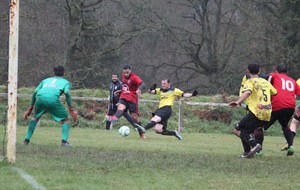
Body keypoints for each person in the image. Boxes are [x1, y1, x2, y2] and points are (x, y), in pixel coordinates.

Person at [229, 62, 277, 158]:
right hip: (267, 112)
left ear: (247, 71)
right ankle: (247, 153)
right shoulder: (265, 82)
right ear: (259, 71)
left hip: (257, 111)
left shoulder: (250, 81)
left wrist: (238, 102)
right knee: (245, 131)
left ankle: (255, 145)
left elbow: (247, 92)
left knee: (237, 130)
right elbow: (275, 92)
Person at [23, 66, 77, 146]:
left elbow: (35, 92)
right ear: (64, 73)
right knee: (65, 120)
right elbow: (67, 93)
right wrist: (71, 110)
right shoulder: (66, 82)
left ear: (53, 73)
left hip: (39, 98)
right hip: (52, 100)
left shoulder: (45, 80)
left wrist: (30, 108)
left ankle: (26, 140)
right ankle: (64, 142)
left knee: (36, 118)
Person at [261, 64, 300, 156]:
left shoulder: (274, 75)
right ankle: (290, 146)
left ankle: (258, 149)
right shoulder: (292, 81)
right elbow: (297, 93)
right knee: (285, 125)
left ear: (276, 71)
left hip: (277, 105)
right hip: (290, 107)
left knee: (260, 126)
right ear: (287, 72)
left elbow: (266, 77)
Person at [106, 64, 146, 138]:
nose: (125, 74)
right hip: (124, 97)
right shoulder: (123, 76)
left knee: (134, 117)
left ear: (130, 71)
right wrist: (120, 91)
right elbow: (126, 88)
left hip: (132, 99)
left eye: (127, 72)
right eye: (124, 73)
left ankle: (141, 133)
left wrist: (139, 89)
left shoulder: (134, 77)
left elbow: (142, 83)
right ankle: (114, 118)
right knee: (120, 107)